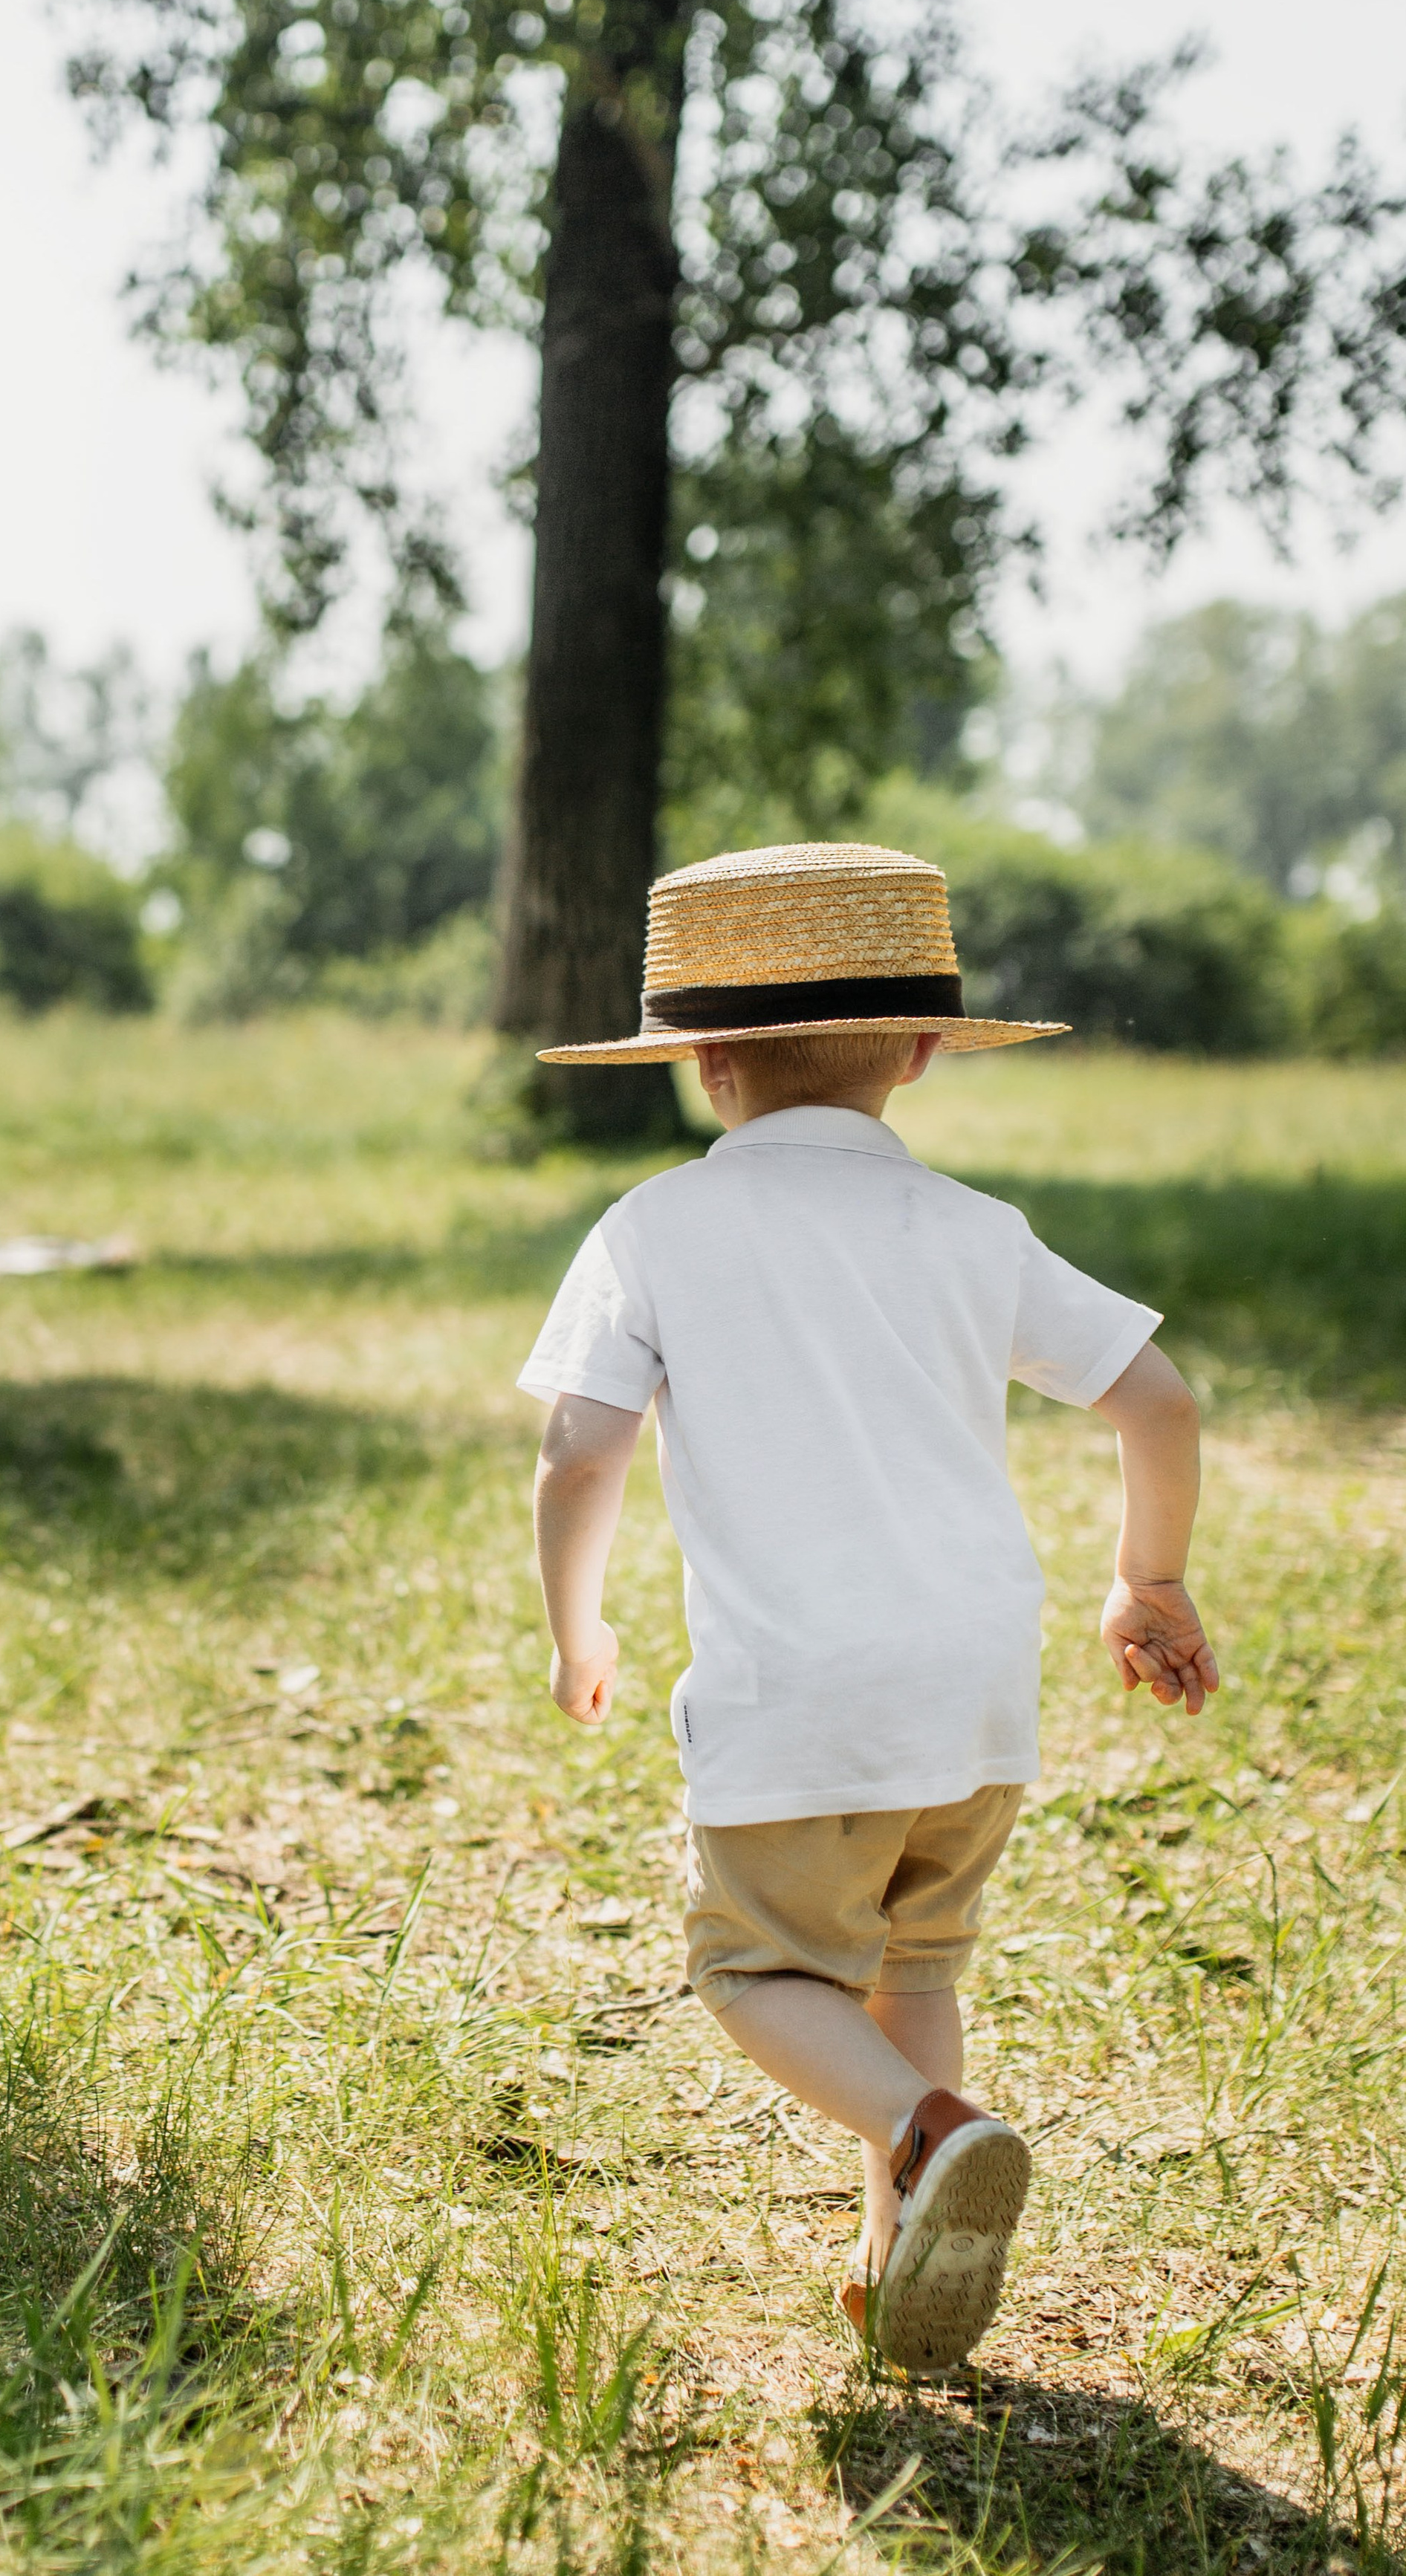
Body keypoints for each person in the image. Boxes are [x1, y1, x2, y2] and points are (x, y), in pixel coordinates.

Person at [518, 841, 1217, 2376]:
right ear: (918, 1053)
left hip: (801, 1698)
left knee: (757, 1970)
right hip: (976, 1702)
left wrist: (578, 1626)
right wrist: (1146, 1578)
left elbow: (578, 1455)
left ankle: (926, 2129)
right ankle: (900, 2260)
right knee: (915, 1971)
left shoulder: (651, 1228)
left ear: (702, 1064)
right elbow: (1158, 1402)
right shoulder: (972, 1228)